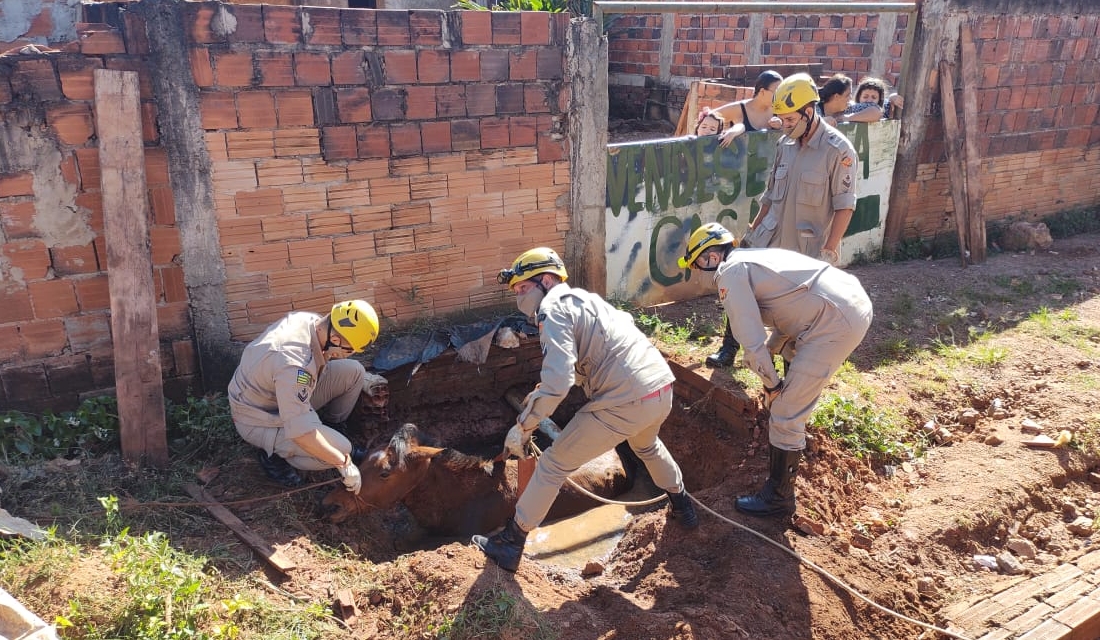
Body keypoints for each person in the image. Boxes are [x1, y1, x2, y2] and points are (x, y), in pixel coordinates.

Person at [472, 247, 698, 572]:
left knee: (552, 465)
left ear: (547, 280)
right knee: (646, 445)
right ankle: (682, 505)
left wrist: (523, 427)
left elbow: (559, 381)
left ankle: (510, 543)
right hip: (661, 387)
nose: (520, 297)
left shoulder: (552, 309)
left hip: (623, 399)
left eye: (523, 288)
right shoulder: (586, 299)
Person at [678, 223, 873, 517]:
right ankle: (793, 431)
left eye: (698, 265)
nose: (700, 272)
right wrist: (771, 360)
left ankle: (779, 498)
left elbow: (750, 340)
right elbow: (787, 312)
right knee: (786, 364)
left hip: (832, 322)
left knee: (784, 411)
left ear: (711, 257)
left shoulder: (729, 273)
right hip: (844, 301)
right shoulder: (753, 258)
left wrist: (771, 386)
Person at [229, 299, 381, 494]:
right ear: (334, 340)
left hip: (276, 393)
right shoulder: (294, 364)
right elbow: (300, 432)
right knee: (342, 449)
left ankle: (332, 428)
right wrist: (342, 462)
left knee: (354, 372)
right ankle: (274, 456)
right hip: (260, 417)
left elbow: (303, 379)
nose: (349, 354)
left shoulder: (312, 322)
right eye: (349, 349)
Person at [746, 72, 859, 266]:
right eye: (782, 120)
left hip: (806, 255)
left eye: (790, 120)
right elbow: (770, 196)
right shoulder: (785, 144)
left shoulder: (838, 151)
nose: (785, 127)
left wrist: (828, 252)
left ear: (808, 112)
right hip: (770, 246)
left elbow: (845, 206)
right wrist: (752, 234)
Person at [715, 69, 784, 147]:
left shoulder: (780, 111)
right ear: (762, 91)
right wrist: (731, 132)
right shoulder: (739, 109)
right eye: (777, 92)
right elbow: (707, 118)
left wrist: (781, 127)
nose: (780, 97)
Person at [817, 73, 883, 125]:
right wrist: (822, 122)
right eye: (847, 95)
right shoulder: (814, 109)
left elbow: (876, 112)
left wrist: (847, 118)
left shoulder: (850, 108)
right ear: (836, 96)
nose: (851, 98)